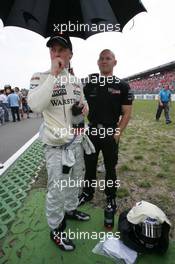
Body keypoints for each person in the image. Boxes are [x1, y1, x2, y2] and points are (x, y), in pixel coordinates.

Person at [28, 33, 94, 251]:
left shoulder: (76, 81)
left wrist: (83, 109)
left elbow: (82, 106)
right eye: (52, 49)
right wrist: (54, 75)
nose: (56, 53)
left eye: (61, 50)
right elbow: (35, 105)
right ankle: (56, 228)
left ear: (70, 54)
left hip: (76, 142)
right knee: (57, 189)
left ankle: (71, 208)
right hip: (56, 147)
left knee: (76, 181)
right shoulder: (39, 77)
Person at [78, 49, 133, 211]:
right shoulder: (89, 84)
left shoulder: (122, 86)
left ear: (114, 62)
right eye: (101, 58)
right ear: (97, 62)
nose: (104, 61)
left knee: (110, 168)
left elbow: (127, 112)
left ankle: (110, 196)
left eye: (108, 58)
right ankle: (87, 193)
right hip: (92, 131)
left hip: (110, 131)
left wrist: (118, 132)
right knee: (89, 167)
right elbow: (79, 100)